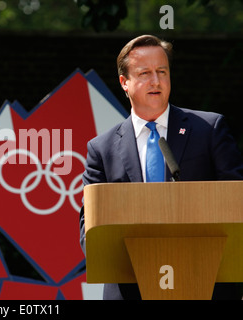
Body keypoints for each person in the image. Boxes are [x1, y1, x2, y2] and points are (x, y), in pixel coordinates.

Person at [79, 35, 243, 300]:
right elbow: (90, 228)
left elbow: (237, 205)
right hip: (131, 289)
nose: (155, 81)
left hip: (206, 283)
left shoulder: (209, 130)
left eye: (162, 72)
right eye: (144, 73)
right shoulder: (102, 148)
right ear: (124, 83)